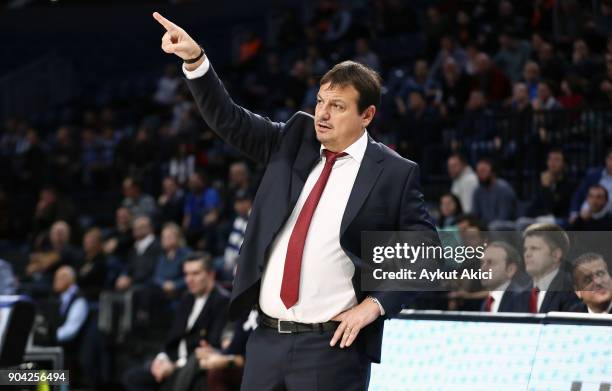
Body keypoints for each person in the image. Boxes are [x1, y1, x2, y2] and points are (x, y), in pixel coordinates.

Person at [153, 11, 436, 391]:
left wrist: (374, 307)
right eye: (320, 101)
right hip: (266, 341)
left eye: (337, 105)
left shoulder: (394, 172)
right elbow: (230, 119)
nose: (322, 112)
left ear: (367, 114)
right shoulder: (294, 138)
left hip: (332, 347)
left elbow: (427, 251)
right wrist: (195, 61)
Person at [122, 253, 230, 391]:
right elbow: (172, 336)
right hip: (172, 361)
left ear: (210, 274)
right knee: (132, 378)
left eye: (195, 274)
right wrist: (162, 358)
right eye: (186, 274)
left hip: (192, 367)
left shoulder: (221, 302)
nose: (189, 280)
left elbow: (211, 344)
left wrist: (175, 366)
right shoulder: (187, 299)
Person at [518, 223, 580, 313]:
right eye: (525, 249)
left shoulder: (572, 291)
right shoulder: (520, 295)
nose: (527, 254)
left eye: (534, 248)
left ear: (556, 254)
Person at [479, 241, 525, 313]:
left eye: (490, 262)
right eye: (482, 263)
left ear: (510, 270)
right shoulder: (486, 303)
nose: (483, 269)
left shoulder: (521, 300)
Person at [472, 159, 517, 229]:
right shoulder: (478, 191)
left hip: (505, 227)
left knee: (494, 226)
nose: (479, 175)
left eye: (483, 171)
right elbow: (475, 216)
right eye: (478, 172)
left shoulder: (504, 189)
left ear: (492, 172)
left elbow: (504, 218)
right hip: (486, 227)